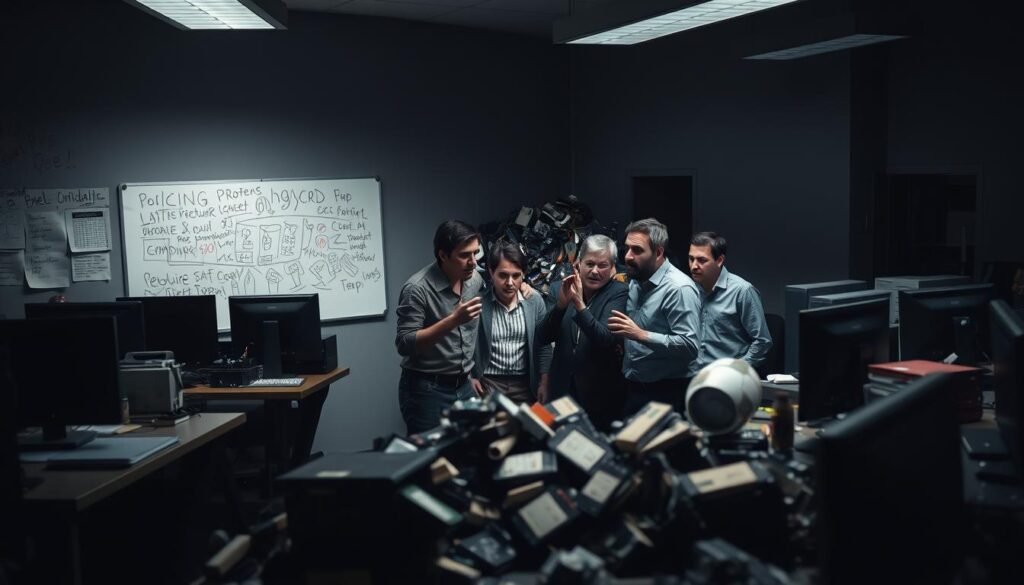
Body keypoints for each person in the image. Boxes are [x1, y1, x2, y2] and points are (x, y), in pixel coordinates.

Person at [395, 219, 484, 435]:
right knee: (430, 461)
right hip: (427, 390)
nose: (473, 262)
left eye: (476, 253)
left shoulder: (475, 280)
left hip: (464, 386)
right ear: (443, 255)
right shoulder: (416, 289)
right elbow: (404, 344)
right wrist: (453, 320)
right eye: (465, 255)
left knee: (469, 453)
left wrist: (525, 288)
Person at [609, 218, 700, 415]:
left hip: (668, 392)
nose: (628, 257)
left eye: (637, 250)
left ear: (658, 253)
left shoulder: (679, 289)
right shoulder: (636, 279)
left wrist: (640, 335)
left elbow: (690, 346)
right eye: (627, 249)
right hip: (634, 386)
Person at [540, 234, 628, 430]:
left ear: (613, 268)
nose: (595, 271)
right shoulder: (558, 288)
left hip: (600, 395)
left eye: (602, 265)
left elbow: (605, 338)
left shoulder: (618, 292)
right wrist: (561, 306)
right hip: (561, 390)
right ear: (578, 263)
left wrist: (579, 304)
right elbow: (543, 337)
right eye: (589, 263)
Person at [471, 241, 552, 404]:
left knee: (526, 429)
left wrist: (544, 382)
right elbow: (464, 343)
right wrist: (470, 377)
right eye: (503, 275)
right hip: (489, 386)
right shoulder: (478, 303)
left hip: (525, 386)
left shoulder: (534, 301)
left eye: (516, 275)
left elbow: (544, 345)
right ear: (491, 272)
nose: (509, 282)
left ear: (523, 274)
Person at [687, 232, 772, 377]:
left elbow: (762, 342)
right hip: (693, 377)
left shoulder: (742, 291)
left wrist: (735, 371)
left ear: (719, 260)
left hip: (729, 379)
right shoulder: (689, 290)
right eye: (691, 259)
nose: (694, 266)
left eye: (701, 260)